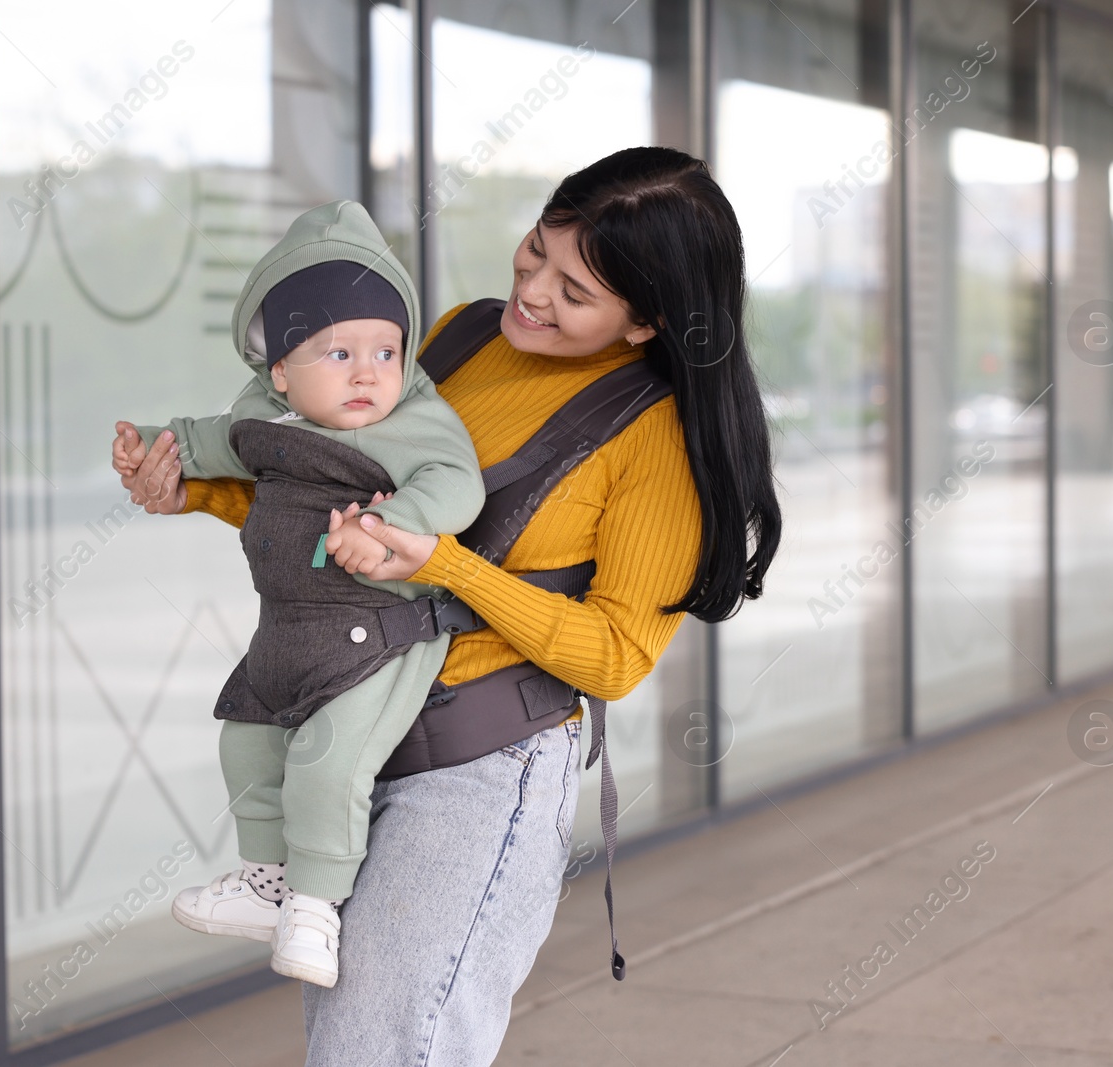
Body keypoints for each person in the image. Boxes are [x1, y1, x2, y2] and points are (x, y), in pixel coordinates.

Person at [118, 147, 782, 1065]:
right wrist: (189, 491)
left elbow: (615, 657)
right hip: (353, 727)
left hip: (481, 771)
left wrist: (449, 564)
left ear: (645, 324)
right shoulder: (461, 338)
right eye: (535, 252)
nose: (535, 292)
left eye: (576, 291)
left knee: (382, 1048)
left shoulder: (654, 439)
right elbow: (331, 502)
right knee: (358, 1042)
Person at [112, 200, 485, 988]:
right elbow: (207, 439)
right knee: (244, 742)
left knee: (328, 761)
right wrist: (152, 444)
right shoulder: (265, 418)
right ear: (280, 370)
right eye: (339, 352)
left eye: (387, 350)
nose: (367, 372)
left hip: (376, 634)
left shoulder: (416, 422)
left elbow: (458, 486)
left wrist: (394, 523)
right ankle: (265, 882)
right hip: (283, 632)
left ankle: (315, 908)